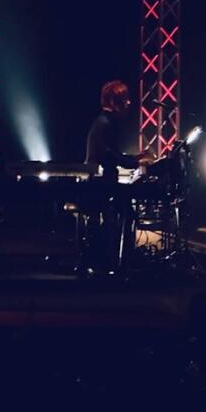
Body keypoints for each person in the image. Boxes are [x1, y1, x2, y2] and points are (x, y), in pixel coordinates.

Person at [82, 80, 153, 272]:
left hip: (102, 183)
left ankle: (118, 257)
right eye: (125, 99)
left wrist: (136, 158)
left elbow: (112, 155)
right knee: (127, 213)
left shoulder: (104, 122)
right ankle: (119, 260)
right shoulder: (105, 124)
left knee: (126, 211)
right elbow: (110, 156)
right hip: (101, 185)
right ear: (115, 102)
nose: (129, 103)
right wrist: (136, 161)